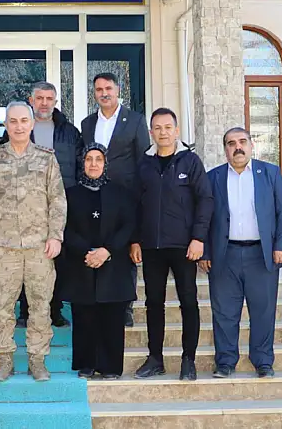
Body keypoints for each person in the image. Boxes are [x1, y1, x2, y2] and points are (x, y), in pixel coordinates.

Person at [0, 101, 67, 382]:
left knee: (40, 305)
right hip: (3, 247)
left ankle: (37, 360)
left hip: (39, 247)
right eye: (13, 121)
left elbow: (58, 200)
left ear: (32, 123)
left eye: (24, 121)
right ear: (6, 124)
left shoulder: (46, 158)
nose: (18, 126)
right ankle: (4, 359)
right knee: (2, 306)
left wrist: (56, 235)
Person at [199, 127, 282, 379]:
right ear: (225, 150)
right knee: (224, 313)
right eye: (231, 143)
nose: (237, 147)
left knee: (263, 311)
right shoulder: (214, 177)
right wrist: (205, 250)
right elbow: (204, 217)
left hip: (261, 255)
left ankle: (263, 361)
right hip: (224, 255)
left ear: (251, 146)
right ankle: (225, 361)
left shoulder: (269, 173)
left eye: (242, 142)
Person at [130, 108, 214, 381]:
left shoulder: (190, 162)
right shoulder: (144, 165)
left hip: (184, 246)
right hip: (152, 247)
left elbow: (205, 201)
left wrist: (199, 238)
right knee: (153, 303)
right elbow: (136, 205)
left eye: (168, 127)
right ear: (151, 132)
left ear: (176, 131)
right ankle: (155, 358)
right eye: (157, 128)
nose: (163, 132)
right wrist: (135, 240)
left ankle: (188, 359)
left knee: (188, 301)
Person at [5, 81, 81, 329]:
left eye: (50, 98)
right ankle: (26, 311)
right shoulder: (19, 129)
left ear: (55, 102)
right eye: (40, 98)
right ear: (31, 100)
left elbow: (79, 168)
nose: (45, 103)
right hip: (26, 205)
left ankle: (55, 310)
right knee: (28, 261)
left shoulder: (70, 132)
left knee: (58, 260)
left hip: (62, 204)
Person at [61, 143, 137, 380]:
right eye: (89, 160)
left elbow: (129, 225)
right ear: (82, 163)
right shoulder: (70, 194)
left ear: (106, 164)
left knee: (112, 318)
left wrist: (107, 250)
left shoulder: (121, 193)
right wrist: (87, 251)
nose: (93, 164)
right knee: (84, 317)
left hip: (113, 263)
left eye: (98, 159)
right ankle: (86, 364)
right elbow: (64, 227)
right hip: (81, 262)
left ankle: (111, 366)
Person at [81, 73, 150, 327]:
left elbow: (142, 161)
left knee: (123, 249)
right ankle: (97, 298)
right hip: (95, 196)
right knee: (99, 244)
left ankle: (125, 305)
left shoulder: (134, 120)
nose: (104, 93)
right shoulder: (87, 123)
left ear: (118, 90)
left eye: (108, 88)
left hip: (126, 197)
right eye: (99, 89)